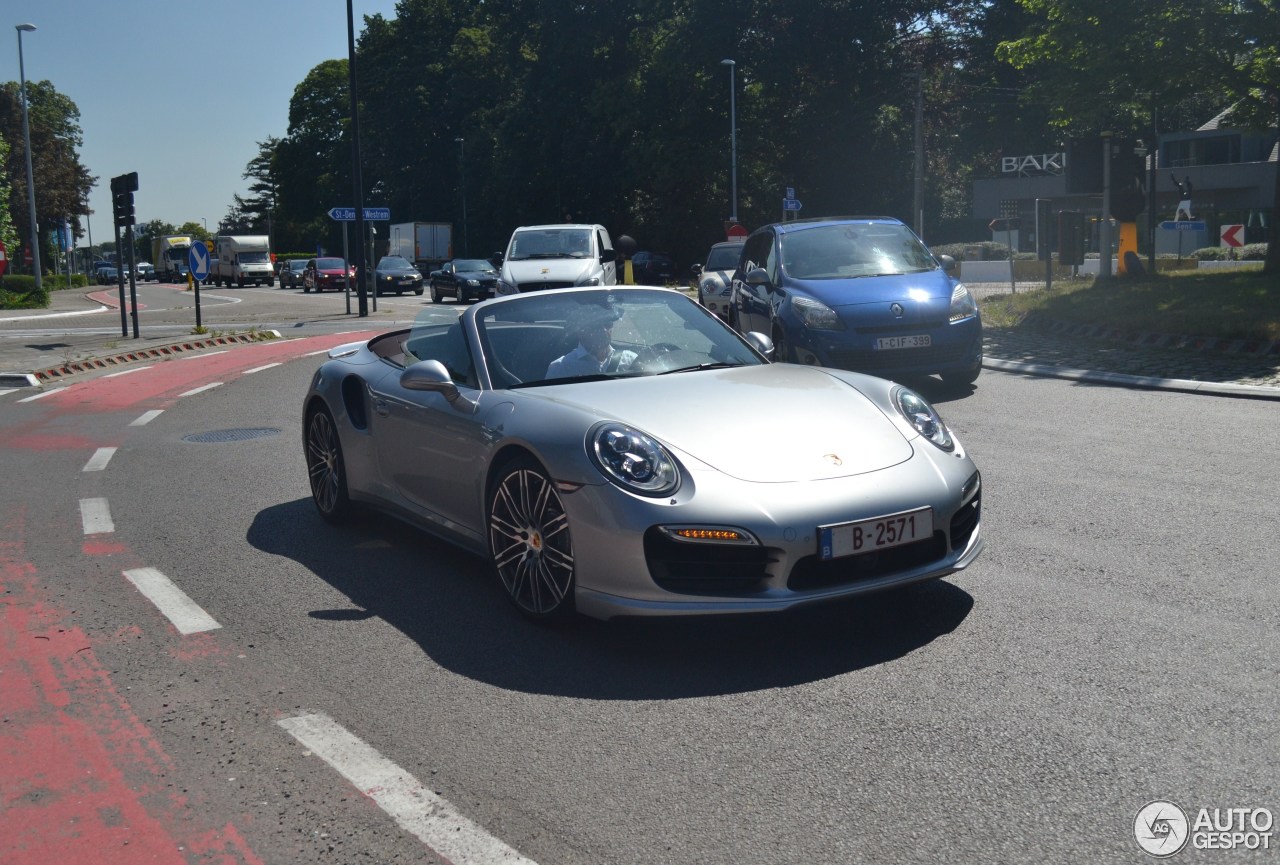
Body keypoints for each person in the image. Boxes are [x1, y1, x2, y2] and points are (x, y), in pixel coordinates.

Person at [545, 305, 637, 378]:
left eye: (608, 324)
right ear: (580, 332)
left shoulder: (629, 360)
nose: (604, 330)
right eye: (596, 326)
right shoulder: (561, 368)